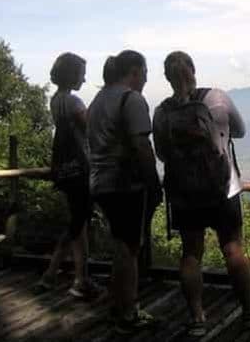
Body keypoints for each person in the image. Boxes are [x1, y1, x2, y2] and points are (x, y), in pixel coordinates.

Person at [153, 51, 250, 337]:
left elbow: (161, 153)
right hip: (223, 189)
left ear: (167, 77)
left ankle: (198, 318)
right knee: (232, 247)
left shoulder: (162, 112)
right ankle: (249, 312)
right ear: (193, 69)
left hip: (184, 193)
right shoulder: (218, 98)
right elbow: (240, 131)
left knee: (191, 254)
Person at [88, 50, 161, 334]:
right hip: (125, 184)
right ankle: (128, 313)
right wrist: (153, 183)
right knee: (129, 249)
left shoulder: (97, 100)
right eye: (145, 73)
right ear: (134, 71)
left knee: (121, 244)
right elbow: (142, 146)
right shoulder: (132, 100)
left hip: (100, 183)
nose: (146, 79)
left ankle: (118, 305)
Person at [38, 52, 102, 299]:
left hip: (65, 169)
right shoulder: (74, 102)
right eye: (81, 74)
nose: (84, 79)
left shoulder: (55, 100)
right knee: (77, 223)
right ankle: (60, 276)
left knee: (79, 223)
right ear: (71, 75)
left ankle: (76, 277)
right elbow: (92, 131)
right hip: (80, 169)